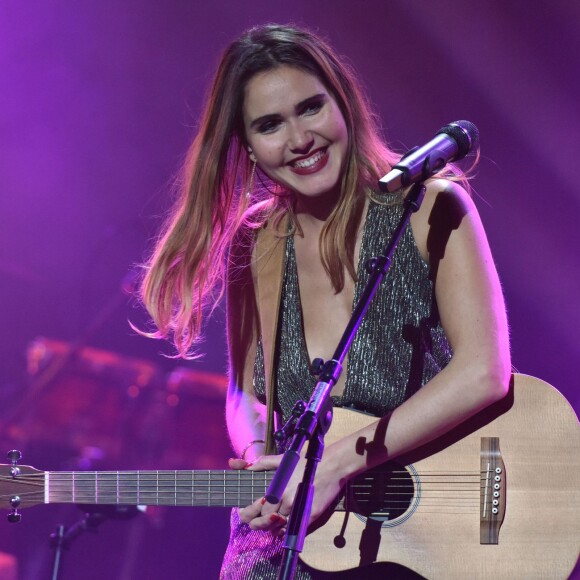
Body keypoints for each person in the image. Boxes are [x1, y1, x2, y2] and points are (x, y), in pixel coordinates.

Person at [140, 23, 510, 579]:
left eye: (310, 108)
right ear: (245, 145)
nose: (299, 139)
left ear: (343, 101)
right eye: (270, 125)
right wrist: (263, 460)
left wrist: (337, 462)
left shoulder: (431, 205)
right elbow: (249, 389)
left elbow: (485, 371)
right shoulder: (258, 240)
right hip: (298, 528)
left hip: (425, 534)